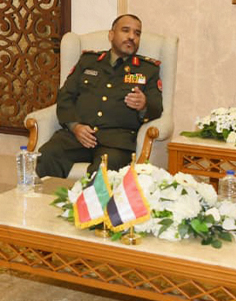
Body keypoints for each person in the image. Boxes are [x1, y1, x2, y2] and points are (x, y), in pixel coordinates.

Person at [36, 14, 163, 178]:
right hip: (77, 136)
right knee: (47, 155)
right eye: (126, 30)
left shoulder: (148, 70)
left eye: (137, 33)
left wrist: (144, 105)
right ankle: (52, 196)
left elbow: (157, 108)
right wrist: (75, 126)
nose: (132, 37)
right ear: (111, 35)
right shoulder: (88, 61)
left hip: (116, 143)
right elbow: (65, 96)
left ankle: (89, 197)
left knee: (102, 173)